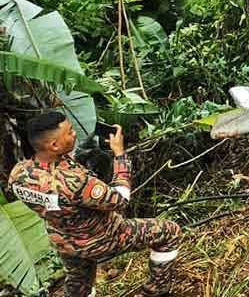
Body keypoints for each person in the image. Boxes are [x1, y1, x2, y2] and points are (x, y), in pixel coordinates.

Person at [8, 111, 181, 297]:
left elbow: (56, 185)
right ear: (54, 145)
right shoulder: (76, 182)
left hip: (64, 241)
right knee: (170, 232)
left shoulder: (18, 174)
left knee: (78, 282)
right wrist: (120, 155)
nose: (74, 133)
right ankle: (157, 289)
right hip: (102, 238)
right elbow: (120, 200)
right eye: (69, 132)